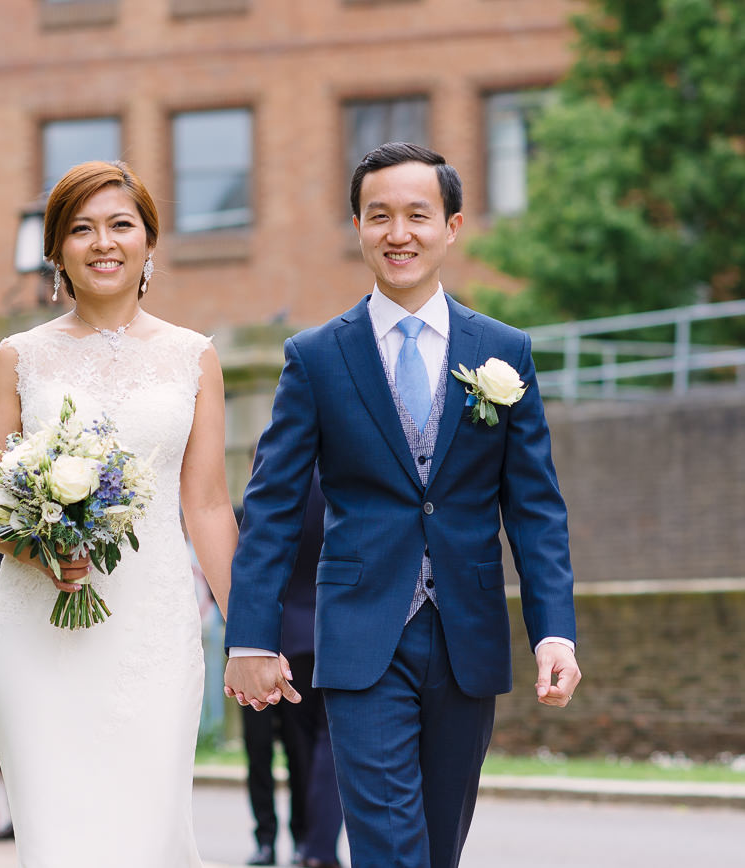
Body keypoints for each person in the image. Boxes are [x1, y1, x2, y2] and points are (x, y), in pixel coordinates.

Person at [224, 142, 582, 868]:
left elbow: (536, 507)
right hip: (359, 639)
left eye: (418, 215)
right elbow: (271, 508)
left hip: (467, 637)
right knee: (391, 848)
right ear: (357, 226)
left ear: (451, 226)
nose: (399, 232)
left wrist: (555, 632)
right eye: (379, 215)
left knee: (439, 847)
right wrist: (251, 637)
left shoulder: (504, 352)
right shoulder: (316, 357)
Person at [0, 160, 238, 866]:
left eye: (121, 225)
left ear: (150, 241)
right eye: (81, 229)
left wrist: (253, 628)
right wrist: (35, 549)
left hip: (152, 623)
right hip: (35, 629)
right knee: (59, 843)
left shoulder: (194, 357)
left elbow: (206, 504)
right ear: (56, 251)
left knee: (148, 833)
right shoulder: (18, 356)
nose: (103, 242)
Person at [238, 472, 342, 868]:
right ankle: (310, 842)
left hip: (283, 637)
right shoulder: (336, 482)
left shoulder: (277, 490)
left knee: (283, 749)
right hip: (327, 634)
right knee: (312, 750)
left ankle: (281, 841)